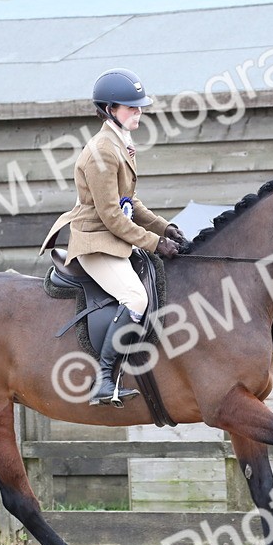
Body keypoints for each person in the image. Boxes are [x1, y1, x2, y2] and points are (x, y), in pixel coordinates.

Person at [39, 67, 186, 406]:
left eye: (139, 106)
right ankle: (104, 380)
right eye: (131, 107)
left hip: (115, 236)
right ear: (109, 110)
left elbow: (129, 202)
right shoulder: (102, 151)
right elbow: (110, 215)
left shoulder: (121, 143)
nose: (139, 112)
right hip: (96, 241)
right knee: (136, 298)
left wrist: (164, 227)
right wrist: (153, 242)